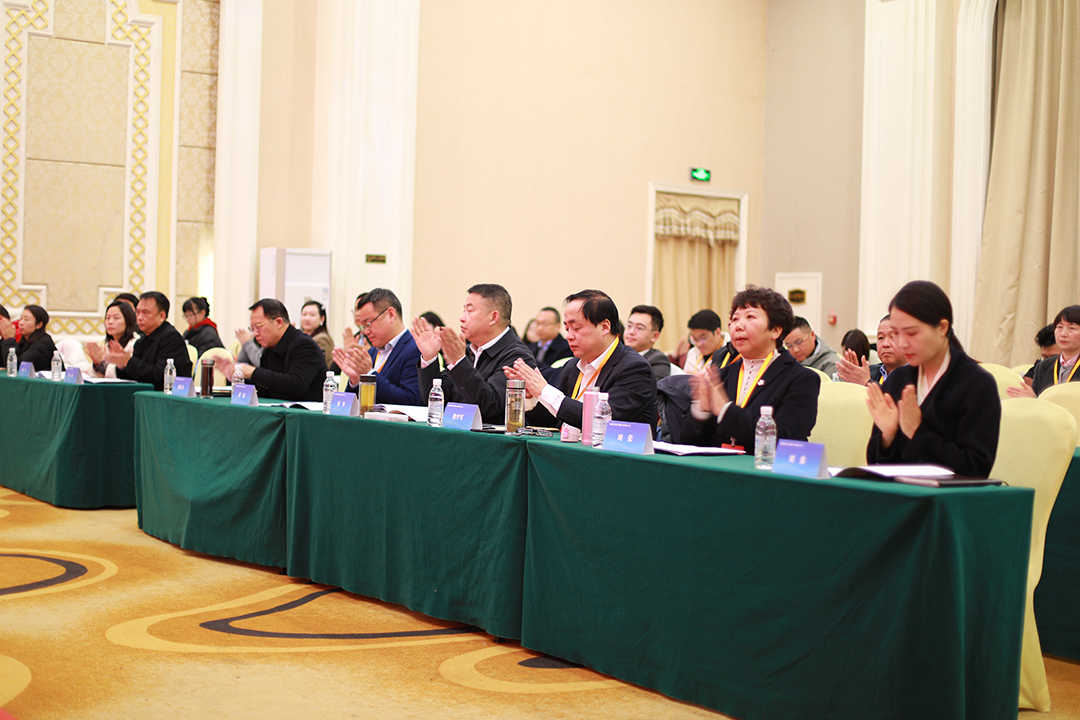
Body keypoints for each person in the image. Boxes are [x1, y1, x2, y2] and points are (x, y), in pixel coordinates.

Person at [866, 280, 1000, 477]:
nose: (902, 343)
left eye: (911, 333)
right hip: (897, 492)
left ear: (942, 328)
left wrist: (917, 432)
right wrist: (888, 435)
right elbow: (874, 464)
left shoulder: (977, 384)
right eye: (896, 334)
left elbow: (975, 469)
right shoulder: (897, 379)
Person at [680, 286, 819, 450]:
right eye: (735, 319)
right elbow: (688, 445)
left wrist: (725, 410)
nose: (738, 326)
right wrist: (701, 411)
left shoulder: (801, 379)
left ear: (775, 331)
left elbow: (786, 439)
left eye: (750, 317)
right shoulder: (722, 376)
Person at [505, 290, 657, 431]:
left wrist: (545, 391)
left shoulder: (634, 368)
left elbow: (604, 422)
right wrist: (533, 396)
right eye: (567, 329)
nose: (569, 336)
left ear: (605, 327)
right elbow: (554, 421)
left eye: (576, 328)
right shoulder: (572, 366)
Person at [413, 283, 536, 423]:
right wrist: (429, 358)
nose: (462, 318)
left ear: (493, 317)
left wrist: (459, 362)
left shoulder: (518, 356)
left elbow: (491, 406)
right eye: (463, 310)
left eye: (469, 311)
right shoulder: (468, 351)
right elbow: (438, 401)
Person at [214, 299, 324, 401]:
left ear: (278, 323)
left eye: (258, 327)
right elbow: (264, 389)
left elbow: (296, 385)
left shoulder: (304, 345)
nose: (255, 334)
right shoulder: (270, 347)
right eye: (252, 328)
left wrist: (253, 372)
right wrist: (237, 376)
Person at [331, 288, 422, 405]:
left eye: (368, 324)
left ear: (391, 315)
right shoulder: (372, 352)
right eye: (363, 327)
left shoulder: (415, 349)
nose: (365, 332)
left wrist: (370, 374)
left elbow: (411, 399)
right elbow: (350, 407)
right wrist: (355, 381)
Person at [108, 291, 192, 389]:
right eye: (137, 312)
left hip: (171, 395)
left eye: (145, 313)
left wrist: (128, 362)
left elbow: (160, 376)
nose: (139, 318)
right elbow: (134, 378)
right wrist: (122, 365)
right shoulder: (141, 340)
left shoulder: (171, 338)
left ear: (162, 316)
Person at [1008, 306, 1080, 398]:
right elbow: (1038, 402)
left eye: (1072, 328)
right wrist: (1032, 398)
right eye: (1059, 327)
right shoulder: (1043, 366)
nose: (1063, 334)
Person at [836, 315, 904, 386]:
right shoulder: (870, 372)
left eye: (892, 337)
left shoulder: (911, 375)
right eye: (881, 338)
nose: (885, 344)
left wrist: (867, 383)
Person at [84, 300, 138, 378]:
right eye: (108, 318)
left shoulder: (135, 343)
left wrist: (102, 365)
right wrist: (96, 365)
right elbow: (96, 376)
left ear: (128, 320)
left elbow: (126, 373)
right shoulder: (107, 344)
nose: (110, 322)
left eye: (116, 318)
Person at [0, 305, 57, 371]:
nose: (20, 323)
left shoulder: (43, 343)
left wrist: (9, 339)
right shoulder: (24, 340)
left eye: (26, 320)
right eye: (21, 319)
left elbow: (18, 366)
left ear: (39, 325)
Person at [624, 304, 672, 380]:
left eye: (639, 328)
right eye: (629, 326)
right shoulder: (615, 354)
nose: (631, 332)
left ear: (654, 336)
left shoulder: (658, 360)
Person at [684, 309, 739, 374]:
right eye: (695, 339)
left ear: (717, 332)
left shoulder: (733, 351)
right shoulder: (693, 353)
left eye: (702, 338)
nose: (698, 344)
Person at [299, 300, 335, 369]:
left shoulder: (322, 339)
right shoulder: (302, 336)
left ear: (322, 318)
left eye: (312, 315)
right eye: (304, 314)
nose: (307, 318)